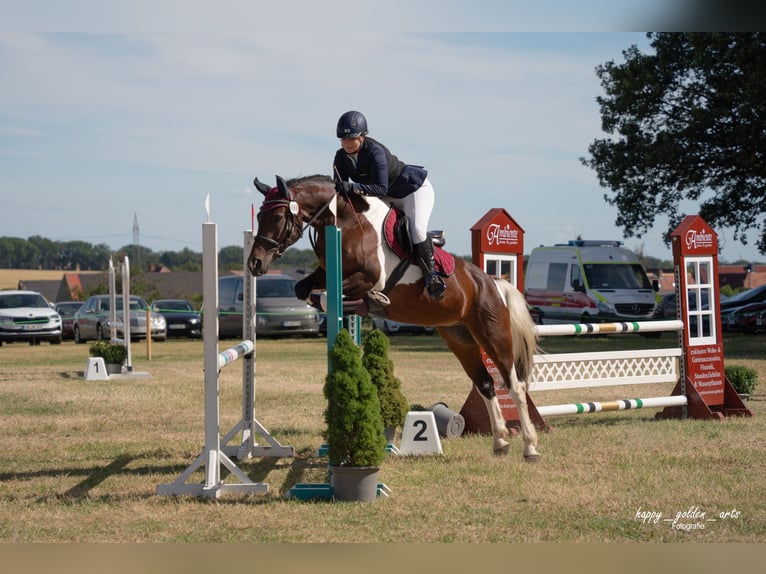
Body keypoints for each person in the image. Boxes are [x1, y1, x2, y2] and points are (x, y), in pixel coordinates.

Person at [332, 110, 446, 300]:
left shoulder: (375, 152)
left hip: (412, 191)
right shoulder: (340, 157)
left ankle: (432, 276)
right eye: (343, 139)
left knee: (416, 230)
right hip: (387, 198)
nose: (347, 143)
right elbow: (342, 191)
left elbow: (380, 189)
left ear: (362, 136)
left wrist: (351, 186)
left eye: (351, 138)